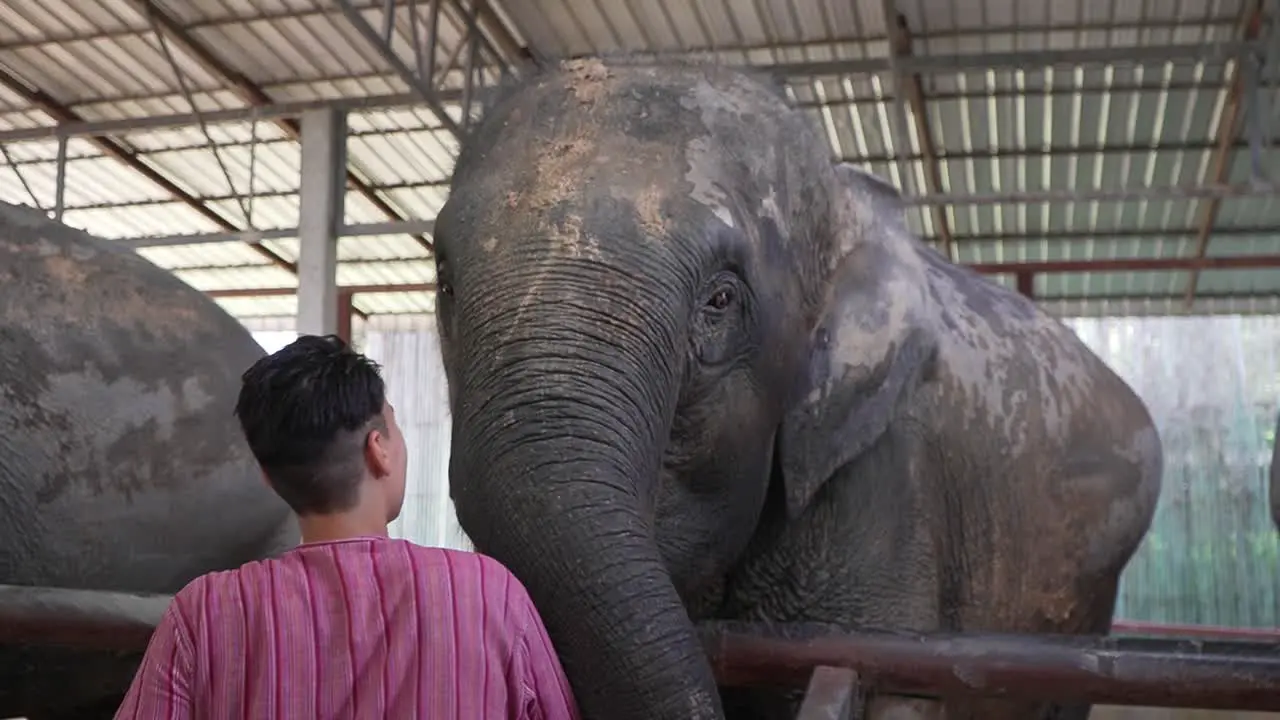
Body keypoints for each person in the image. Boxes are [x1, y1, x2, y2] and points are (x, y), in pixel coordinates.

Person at [114, 334, 580, 720]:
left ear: (269, 478)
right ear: (378, 449)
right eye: (395, 428)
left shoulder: (202, 615)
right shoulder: (489, 594)